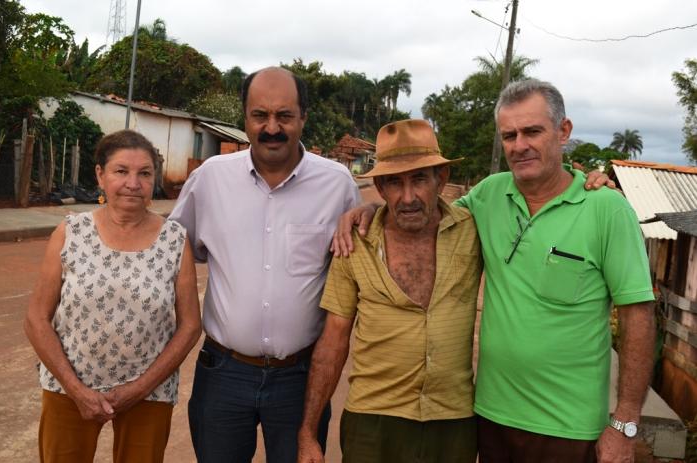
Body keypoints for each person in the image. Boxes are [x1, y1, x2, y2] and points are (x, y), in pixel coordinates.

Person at [335, 80, 654, 462]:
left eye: (532, 131)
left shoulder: (606, 210)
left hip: (568, 430)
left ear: (563, 131)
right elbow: (424, 211)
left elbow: (638, 316)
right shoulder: (489, 196)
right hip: (491, 420)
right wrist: (370, 209)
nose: (520, 145)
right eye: (509, 135)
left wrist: (625, 423)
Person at [169, 67, 361, 463]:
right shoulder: (209, 180)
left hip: (300, 379)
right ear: (245, 118)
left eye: (284, 116)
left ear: (303, 117)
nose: (272, 127)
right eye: (260, 115)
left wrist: (372, 210)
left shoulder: (338, 184)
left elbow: (359, 254)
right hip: (223, 372)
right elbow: (170, 251)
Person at [297, 119, 481, 463]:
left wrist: (597, 182)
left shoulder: (472, 231)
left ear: (440, 181)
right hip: (372, 421)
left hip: (453, 419)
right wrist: (308, 432)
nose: (408, 197)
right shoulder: (354, 243)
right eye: (395, 182)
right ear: (380, 187)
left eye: (420, 179)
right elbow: (333, 340)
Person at [24, 129, 201, 463]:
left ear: (154, 180)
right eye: (121, 171)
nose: (133, 183)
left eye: (144, 173)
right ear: (100, 176)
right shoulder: (71, 232)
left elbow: (190, 325)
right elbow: (36, 319)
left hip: (149, 392)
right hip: (68, 388)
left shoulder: (175, 240)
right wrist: (77, 390)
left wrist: (139, 389)